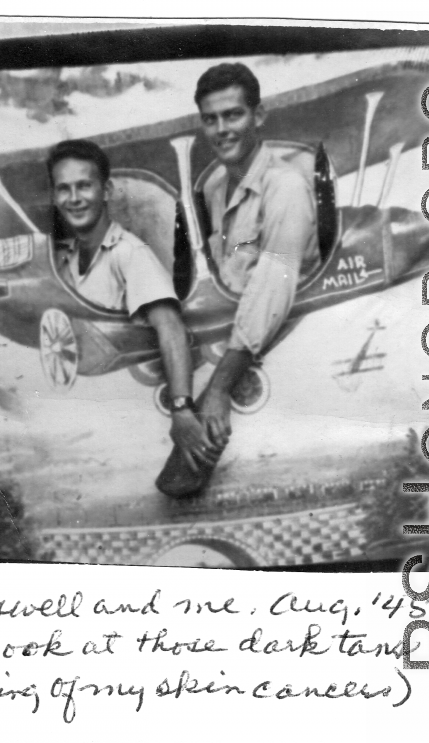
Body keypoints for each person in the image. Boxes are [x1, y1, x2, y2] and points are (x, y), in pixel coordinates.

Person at [157, 62, 319, 497]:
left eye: (233, 115)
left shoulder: (284, 185)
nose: (221, 129)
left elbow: (272, 288)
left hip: (275, 352)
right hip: (229, 346)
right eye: (210, 119)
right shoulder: (212, 189)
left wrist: (218, 389)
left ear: (259, 116)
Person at [47, 139, 218, 473]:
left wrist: (181, 408)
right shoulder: (63, 258)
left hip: (126, 428)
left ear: (106, 189)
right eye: (64, 189)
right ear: (55, 197)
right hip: (83, 435)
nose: (75, 198)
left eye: (84, 186)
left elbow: (170, 327)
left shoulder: (129, 253)